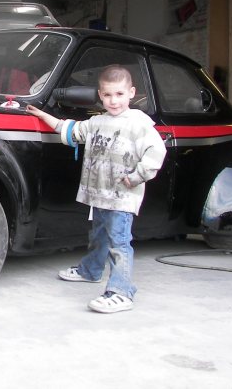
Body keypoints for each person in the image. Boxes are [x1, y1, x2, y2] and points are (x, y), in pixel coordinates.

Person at [26, 64, 166, 314]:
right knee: (99, 235)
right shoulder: (96, 122)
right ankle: (91, 271)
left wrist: (136, 177)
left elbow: (156, 152)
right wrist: (42, 115)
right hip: (99, 195)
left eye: (119, 94)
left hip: (122, 197)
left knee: (119, 242)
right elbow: (68, 129)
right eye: (108, 95)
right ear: (100, 95)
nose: (114, 100)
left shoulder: (139, 123)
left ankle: (121, 291)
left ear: (131, 93)